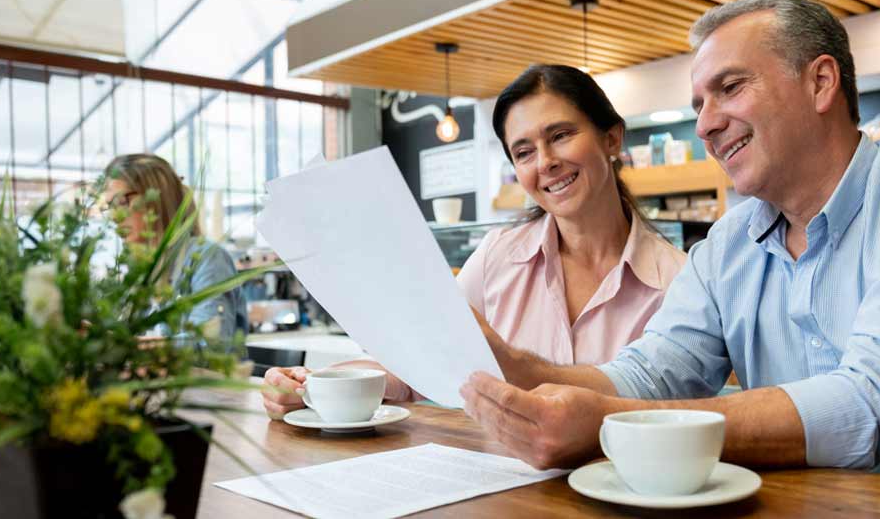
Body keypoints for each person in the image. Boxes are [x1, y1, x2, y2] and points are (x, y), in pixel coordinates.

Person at [459, 0, 880, 500]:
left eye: (729, 89)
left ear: (820, 83)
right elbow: (650, 374)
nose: (704, 123)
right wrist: (514, 365)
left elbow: (870, 403)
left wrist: (609, 429)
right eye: (699, 104)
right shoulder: (730, 241)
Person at [259, 65, 686, 418]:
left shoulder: (678, 280)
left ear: (612, 138)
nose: (546, 162)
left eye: (560, 135)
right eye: (524, 152)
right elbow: (415, 367)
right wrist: (317, 385)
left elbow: (671, 411)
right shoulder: (497, 256)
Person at [104, 154, 246, 344]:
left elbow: (209, 345)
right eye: (109, 207)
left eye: (121, 202)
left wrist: (127, 347)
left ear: (156, 197)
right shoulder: (142, 273)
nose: (114, 217)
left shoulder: (206, 258)